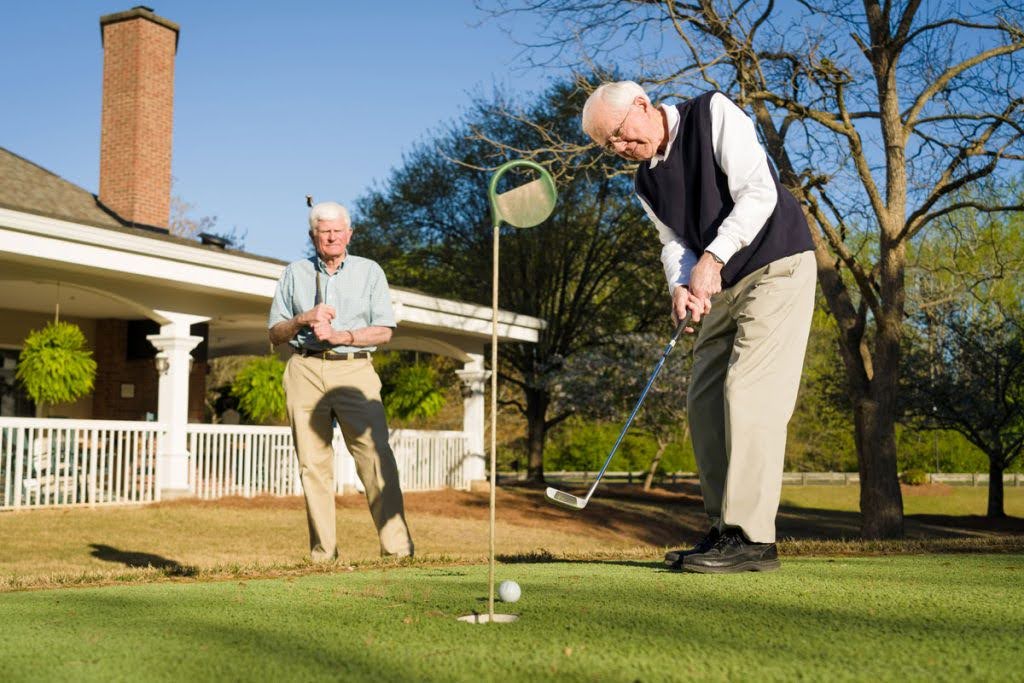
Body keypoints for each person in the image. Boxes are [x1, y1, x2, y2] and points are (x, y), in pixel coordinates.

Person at [582, 82, 817, 573]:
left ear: (643, 106)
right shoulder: (645, 182)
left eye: (621, 136)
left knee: (749, 392)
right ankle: (724, 530)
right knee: (703, 399)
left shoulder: (712, 112)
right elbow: (673, 243)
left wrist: (712, 258)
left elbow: (759, 191)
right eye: (609, 147)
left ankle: (752, 539)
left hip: (778, 264)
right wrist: (679, 284)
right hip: (722, 284)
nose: (621, 150)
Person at [268, 201, 413, 562]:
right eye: (323, 231)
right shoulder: (294, 273)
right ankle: (324, 555)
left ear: (349, 234)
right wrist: (303, 318)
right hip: (304, 369)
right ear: (312, 236)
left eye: (337, 230)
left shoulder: (369, 272)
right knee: (312, 466)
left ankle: (397, 550)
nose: (331, 236)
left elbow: (384, 330)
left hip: (355, 369)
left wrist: (341, 336)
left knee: (375, 457)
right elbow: (274, 333)